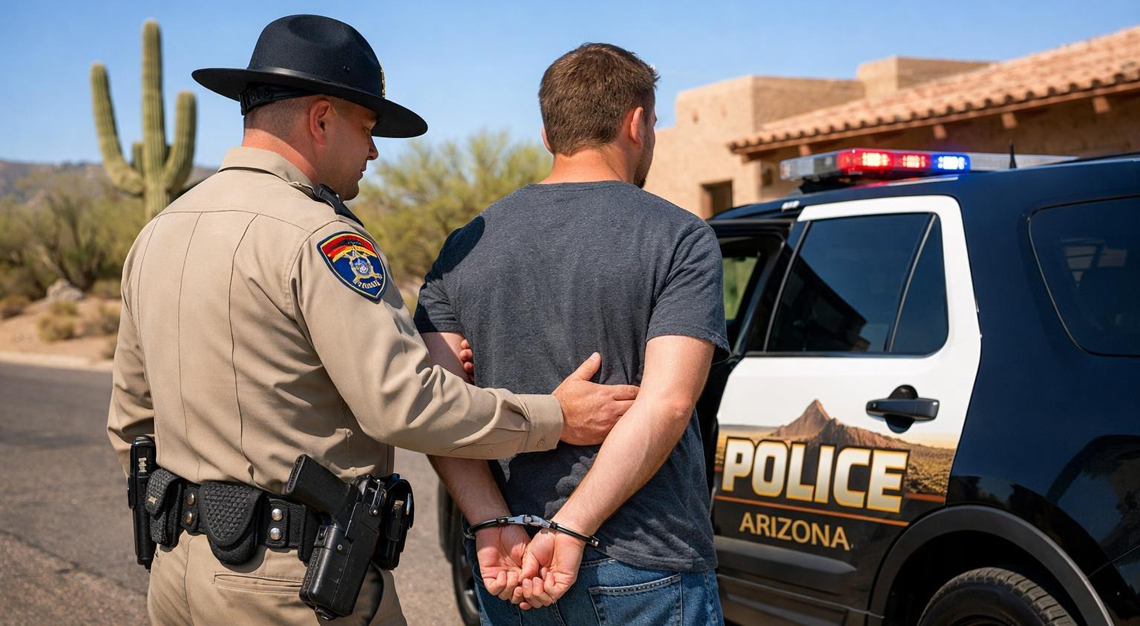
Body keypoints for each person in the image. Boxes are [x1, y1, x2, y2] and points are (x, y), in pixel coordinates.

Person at [106, 16, 636, 626]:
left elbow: (130, 422)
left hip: (179, 576)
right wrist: (555, 417)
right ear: (321, 118)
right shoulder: (318, 237)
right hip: (292, 585)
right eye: (367, 127)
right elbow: (402, 403)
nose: (375, 150)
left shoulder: (158, 233)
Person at [417, 43, 728, 625]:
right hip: (645, 565)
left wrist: (490, 521)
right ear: (637, 123)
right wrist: (570, 527)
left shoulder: (463, 247)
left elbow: (437, 408)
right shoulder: (679, 237)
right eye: (654, 123)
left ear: (547, 134)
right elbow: (667, 403)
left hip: (509, 564)